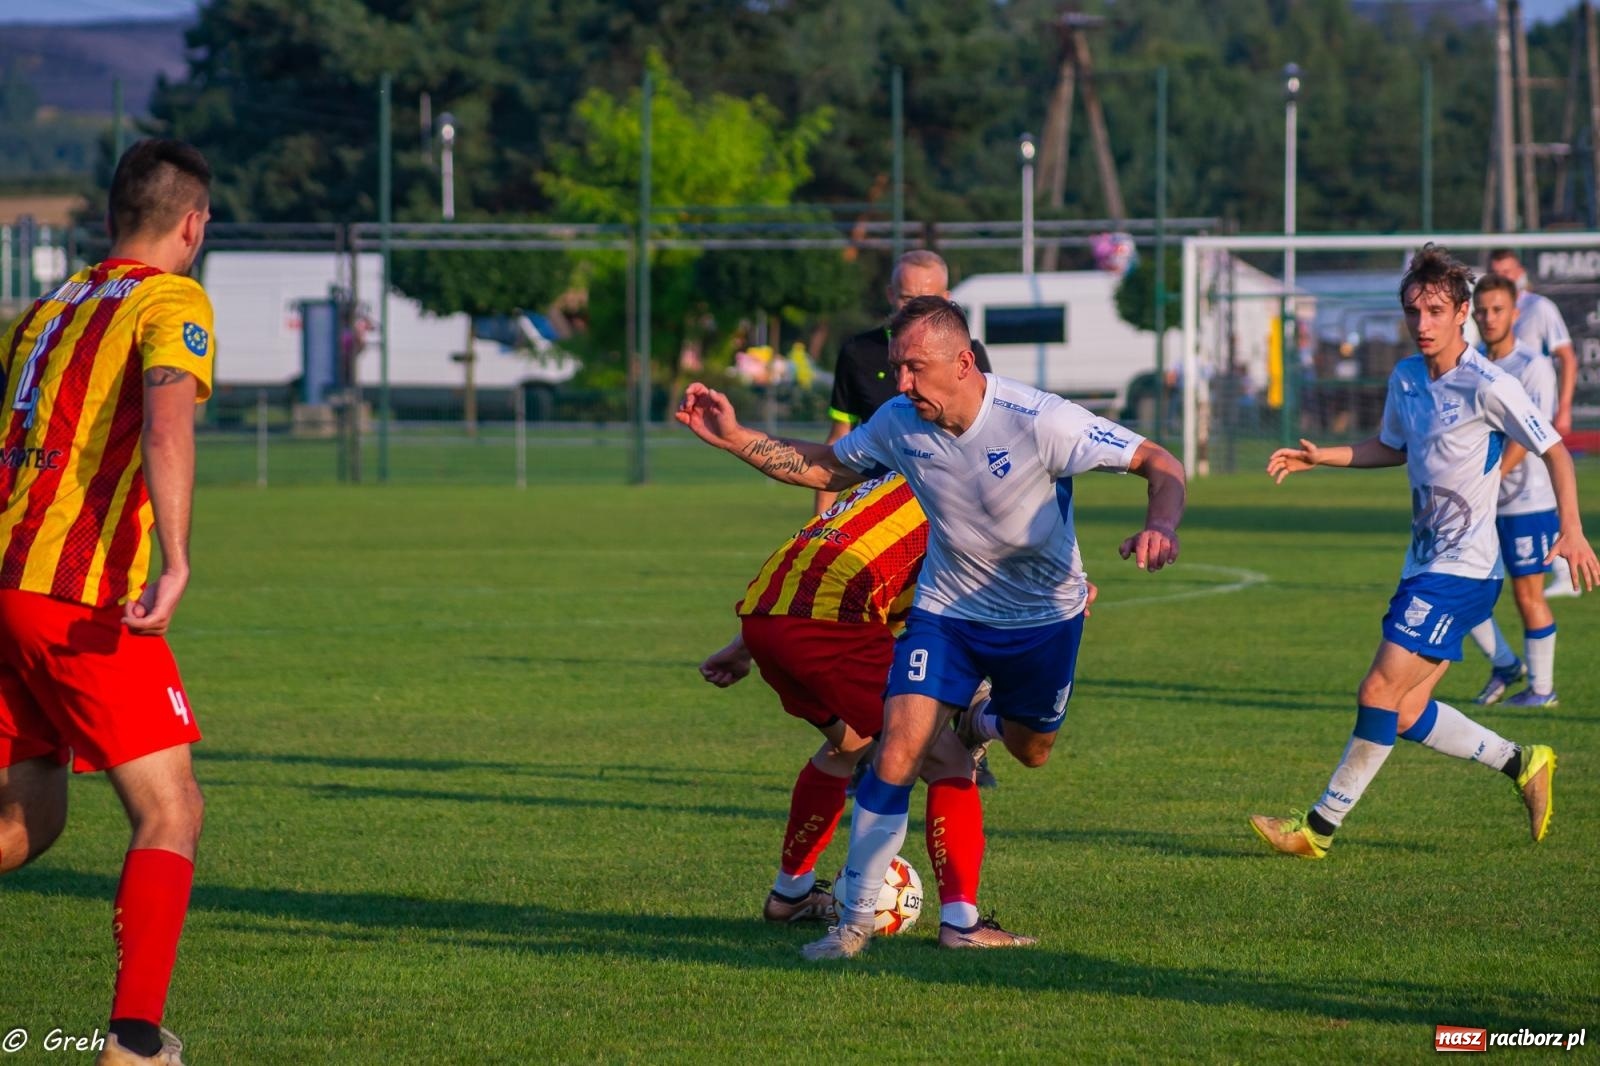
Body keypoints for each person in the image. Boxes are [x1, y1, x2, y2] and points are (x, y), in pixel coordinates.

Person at [677, 296, 1186, 960]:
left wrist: (1161, 525)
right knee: (899, 752)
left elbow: (1161, 463)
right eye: (896, 369)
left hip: (1041, 620)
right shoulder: (897, 421)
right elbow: (828, 467)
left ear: (963, 362)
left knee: (1032, 750)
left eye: (914, 368)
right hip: (946, 615)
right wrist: (737, 436)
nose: (901, 384)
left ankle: (983, 723)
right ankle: (869, 923)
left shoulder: (1042, 421)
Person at [1250, 246, 1598, 862]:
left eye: (1436, 309)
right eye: (1414, 310)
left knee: (1378, 691)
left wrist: (1571, 529)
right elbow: (1391, 446)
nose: (1423, 322)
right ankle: (1524, 762)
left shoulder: (1489, 384)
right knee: (1407, 708)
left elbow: (1556, 450)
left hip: (1464, 570)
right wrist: (1321, 457)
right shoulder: (1406, 378)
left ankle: (1317, 830)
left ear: (1461, 312)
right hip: (1425, 563)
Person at [0, 139, 215, 1066]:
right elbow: (168, 419)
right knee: (172, 811)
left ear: (107, 218)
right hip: (75, 597)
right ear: (193, 225)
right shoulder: (172, 299)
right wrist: (175, 560)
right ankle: (132, 1042)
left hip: (7, 582)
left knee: (30, 820)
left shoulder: (48, 305)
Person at [697, 472, 1030, 946]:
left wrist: (744, 647)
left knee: (849, 745)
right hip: (831, 623)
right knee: (947, 759)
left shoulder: (906, 471)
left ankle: (789, 894)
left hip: (765, 615)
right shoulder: (967, 497)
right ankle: (962, 925)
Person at [820, 250, 1001, 791]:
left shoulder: (968, 355)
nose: (905, 382)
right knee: (867, 629)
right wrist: (822, 529)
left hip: (940, 519)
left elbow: (983, 443)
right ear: (890, 297)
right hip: (872, 522)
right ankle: (878, 746)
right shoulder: (857, 354)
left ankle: (958, 736)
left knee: (947, 624)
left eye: (931, 296)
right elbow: (835, 450)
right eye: (906, 296)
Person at [1465, 273, 1565, 708]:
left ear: (1514, 314)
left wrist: (1492, 477)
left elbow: (1533, 436)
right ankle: (1506, 664)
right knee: (1460, 589)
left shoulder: (1533, 367)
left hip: (1528, 501)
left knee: (1528, 595)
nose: (1489, 318)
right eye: (1482, 311)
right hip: (1480, 503)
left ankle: (1541, 690)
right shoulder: (1472, 365)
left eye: (1497, 310)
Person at [1486, 248, 1583, 600]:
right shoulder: (1487, 318)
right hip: (1507, 415)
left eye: (1509, 271)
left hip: (1535, 414)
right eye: (1497, 271)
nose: (1505, 277)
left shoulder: (1539, 309)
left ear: (1521, 273)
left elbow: (1566, 356)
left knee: (1537, 488)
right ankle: (1554, 563)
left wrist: (1565, 407)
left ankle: (1557, 563)